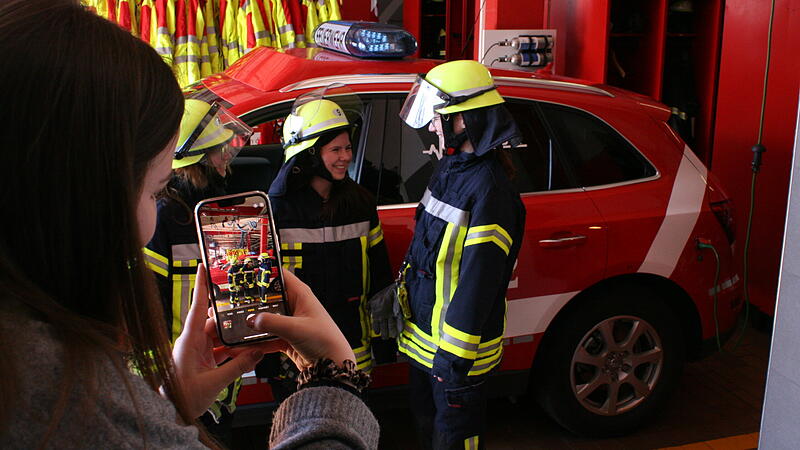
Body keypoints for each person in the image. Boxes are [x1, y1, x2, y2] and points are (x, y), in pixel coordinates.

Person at [0, 1, 378, 448]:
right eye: (152, 190)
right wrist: (332, 383)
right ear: (78, 198)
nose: (145, 224)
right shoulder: (78, 408)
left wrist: (170, 405)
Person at [393, 59, 527, 449]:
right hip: (426, 346)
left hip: (455, 358)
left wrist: (453, 363)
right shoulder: (451, 169)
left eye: (439, 117)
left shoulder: (490, 193)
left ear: (465, 120)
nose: (432, 126)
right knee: (426, 429)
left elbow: (477, 285)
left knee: (453, 441)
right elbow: (426, 249)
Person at [266, 94, 395, 400]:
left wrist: (383, 341)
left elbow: (379, 276)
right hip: (297, 355)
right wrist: (270, 355)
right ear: (310, 154)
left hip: (353, 345)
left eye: (348, 147)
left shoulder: (360, 202)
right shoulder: (277, 209)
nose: (346, 156)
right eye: (335, 149)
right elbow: (267, 288)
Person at [143, 97, 252, 440]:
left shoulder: (218, 208)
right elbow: (146, 309)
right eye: (219, 151)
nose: (226, 160)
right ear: (196, 161)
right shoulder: (164, 216)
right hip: (177, 386)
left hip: (216, 381)